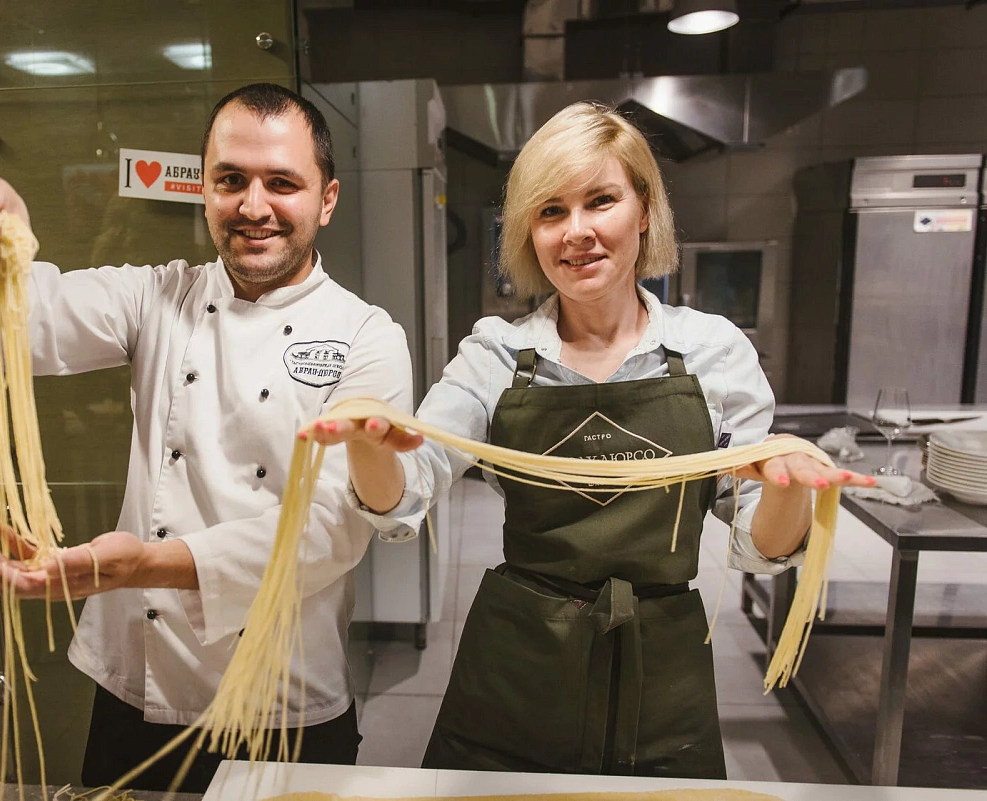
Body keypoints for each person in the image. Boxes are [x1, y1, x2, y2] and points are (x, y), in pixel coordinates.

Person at [309, 102, 876, 779]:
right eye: (551, 211)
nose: (576, 231)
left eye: (600, 201)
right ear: (529, 231)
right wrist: (370, 444)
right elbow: (407, 492)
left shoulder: (713, 353)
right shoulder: (495, 354)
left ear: (644, 210)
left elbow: (761, 543)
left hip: (661, 675)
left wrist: (785, 487)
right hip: (517, 666)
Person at [0, 83, 412, 791]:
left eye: (282, 183)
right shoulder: (157, 296)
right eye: (231, 180)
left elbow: (331, 530)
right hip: (138, 688)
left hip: (283, 696)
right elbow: (24, 316)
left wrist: (140, 567)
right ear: (206, 190)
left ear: (327, 199)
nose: (253, 206)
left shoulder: (367, 335)